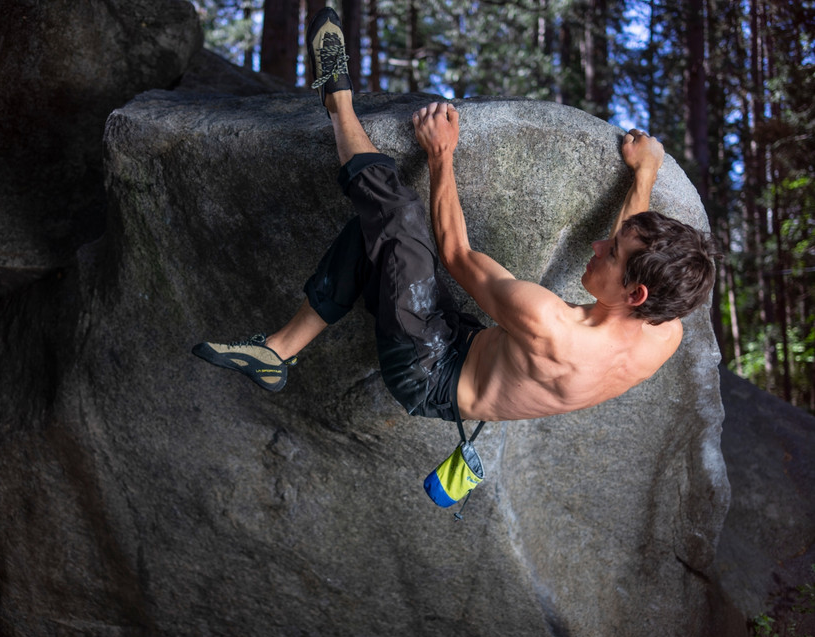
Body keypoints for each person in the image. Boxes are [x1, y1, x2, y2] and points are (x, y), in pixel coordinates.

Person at [192, 7, 719, 426]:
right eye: (612, 239)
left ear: (636, 295)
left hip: (428, 372)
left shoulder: (550, 324)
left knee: (398, 216)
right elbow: (640, 252)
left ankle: (337, 102)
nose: (597, 245)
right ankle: (278, 352)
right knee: (379, 232)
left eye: (611, 253)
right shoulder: (663, 331)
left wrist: (441, 154)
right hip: (468, 354)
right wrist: (642, 175)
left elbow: (457, 254)